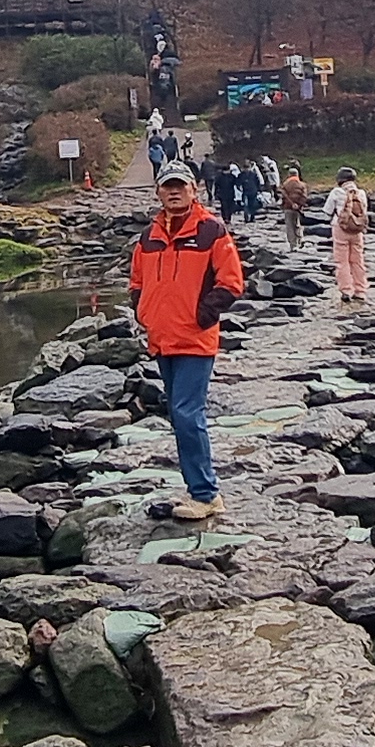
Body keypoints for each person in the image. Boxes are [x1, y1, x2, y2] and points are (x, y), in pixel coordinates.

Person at [128, 164, 248, 521]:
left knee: (186, 413)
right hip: (162, 338)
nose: (174, 191)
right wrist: (143, 312)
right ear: (158, 192)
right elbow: (137, 281)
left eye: (180, 186)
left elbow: (231, 283)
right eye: (168, 186)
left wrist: (201, 315)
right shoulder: (149, 236)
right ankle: (197, 487)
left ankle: (206, 494)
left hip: (195, 339)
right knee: (180, 415)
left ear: (194, 190)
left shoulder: (211, 230)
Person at [327, 167, 375, 308]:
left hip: (340, 228)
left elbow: (327, 210)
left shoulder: (336, 192)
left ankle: (346, 290)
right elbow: (364, 211)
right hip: (357, 230)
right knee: (358, 260)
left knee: (342, 261)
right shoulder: (361, 193)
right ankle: (360, 290)